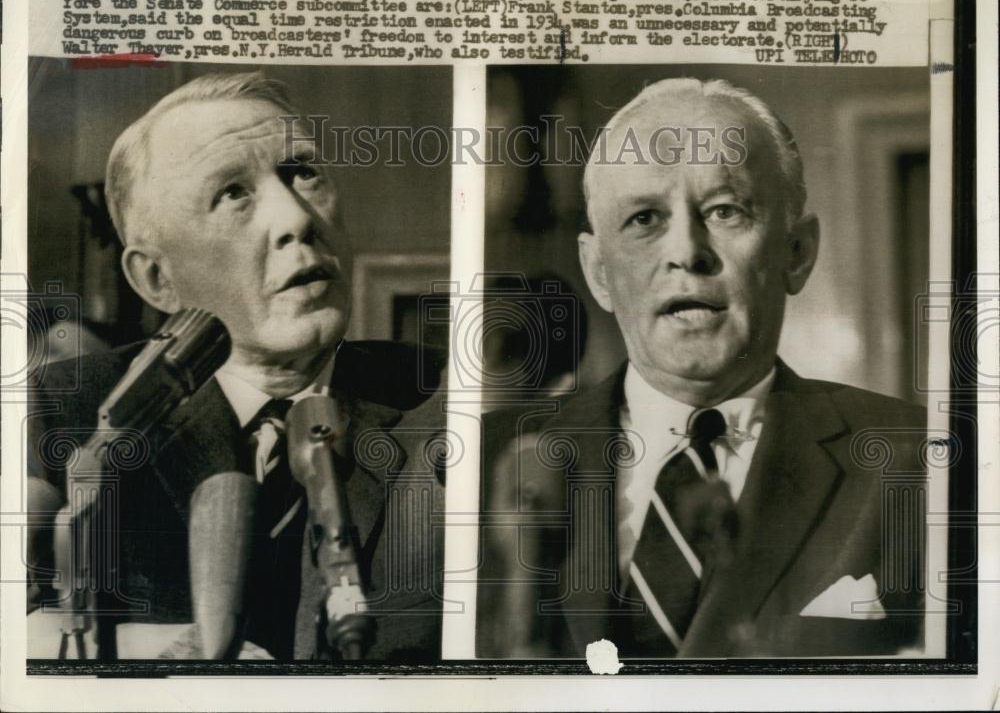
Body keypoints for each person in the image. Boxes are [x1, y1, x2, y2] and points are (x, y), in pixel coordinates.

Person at [478, 78, 926, 659]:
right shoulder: (482, 461)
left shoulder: (922, 462)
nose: (687, 251)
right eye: (644, 219)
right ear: (598, 272)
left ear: (797, 253)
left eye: (725, 210)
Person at [27, 72, 447, 661]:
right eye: (233, 193)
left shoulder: (445, 399)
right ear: (156, 278)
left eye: (302, 171)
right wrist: (167, 652)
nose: (296, 219)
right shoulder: (70, 411)